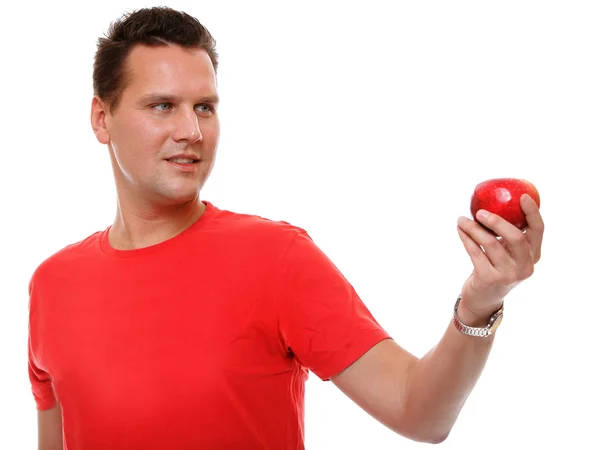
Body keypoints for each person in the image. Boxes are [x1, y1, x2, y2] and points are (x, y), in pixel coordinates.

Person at [27, 6, 545, 450]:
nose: (191, 132)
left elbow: (421, 413)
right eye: (162, 106)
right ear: (101, 118)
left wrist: (481, 302)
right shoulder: (52, 284)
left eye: (204, 107)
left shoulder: (275, 257)